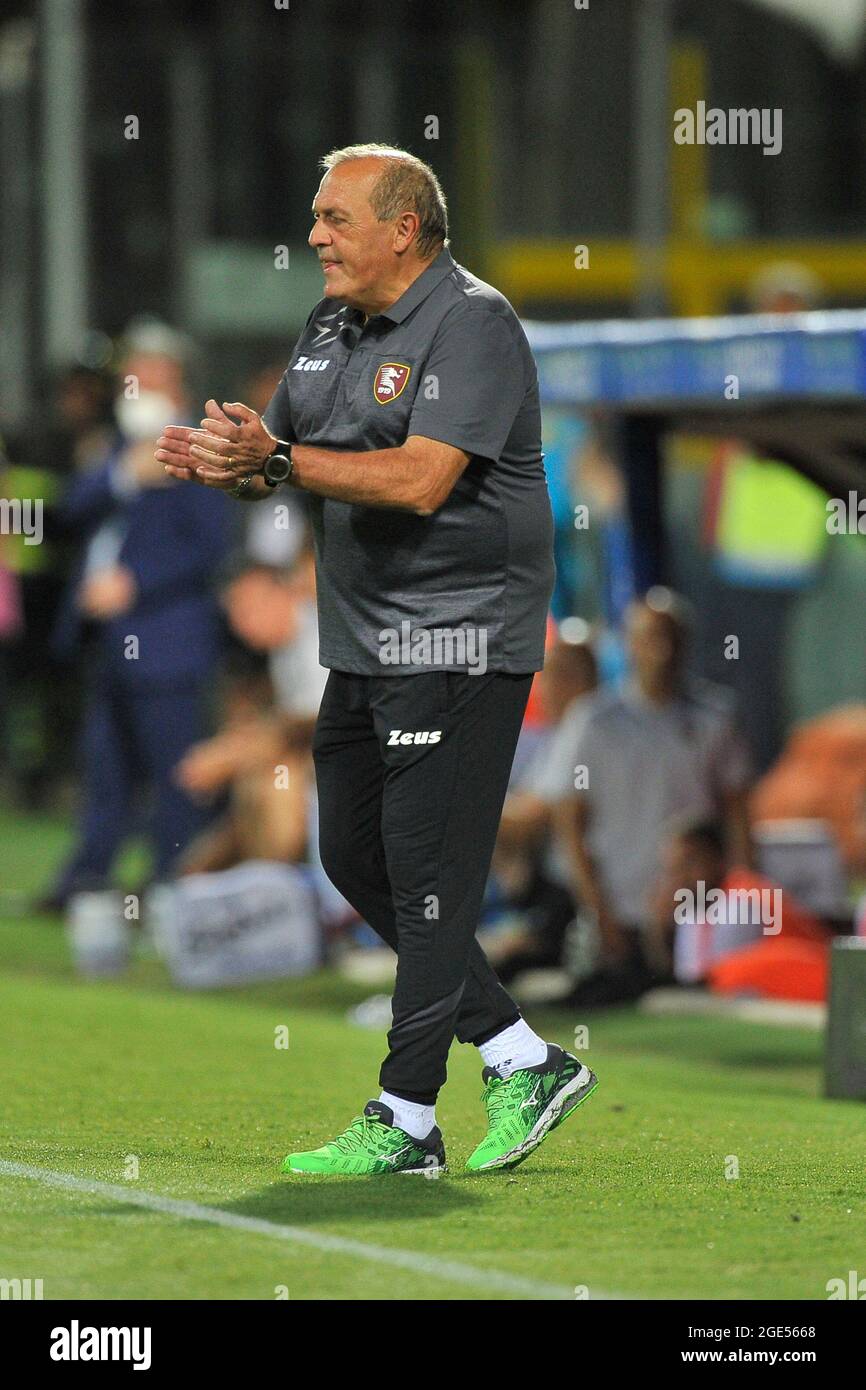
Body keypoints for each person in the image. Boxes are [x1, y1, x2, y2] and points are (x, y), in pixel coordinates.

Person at [156, 143, 598, 1176]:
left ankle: (404, 1117)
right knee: (353, 854)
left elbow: (420, 479)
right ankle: (520, 1054)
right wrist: (238, 461)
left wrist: (276, 459)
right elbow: (294, 462)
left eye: (334, 217)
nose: (313, 235)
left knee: (424, 869)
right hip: (362, 641)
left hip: (458, 636)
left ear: (404, 226)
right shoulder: (328, 327)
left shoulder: (473, 322)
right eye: (315, 217)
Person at [45, 322, 233, 908]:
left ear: (173, 377)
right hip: (107, 638)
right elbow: (70, 507)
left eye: (146, 371)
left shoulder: (202, 441)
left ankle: (171, 889)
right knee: (106, 769)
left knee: (174, 771)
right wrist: (125, 472)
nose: (135, 382)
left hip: (167, 637)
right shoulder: (118, 442)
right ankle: (85, 882)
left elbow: (211, 544)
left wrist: (136, 582)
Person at [554, 589, 753, 1006]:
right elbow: (571, 825)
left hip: (694, 908)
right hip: (619, 904)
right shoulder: (594, 722)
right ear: (629, 644)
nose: (660, 652)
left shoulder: (714, 718)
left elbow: (738, 815)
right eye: (649, 638)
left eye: (670, 639)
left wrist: (741, 895)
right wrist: (597, 908)